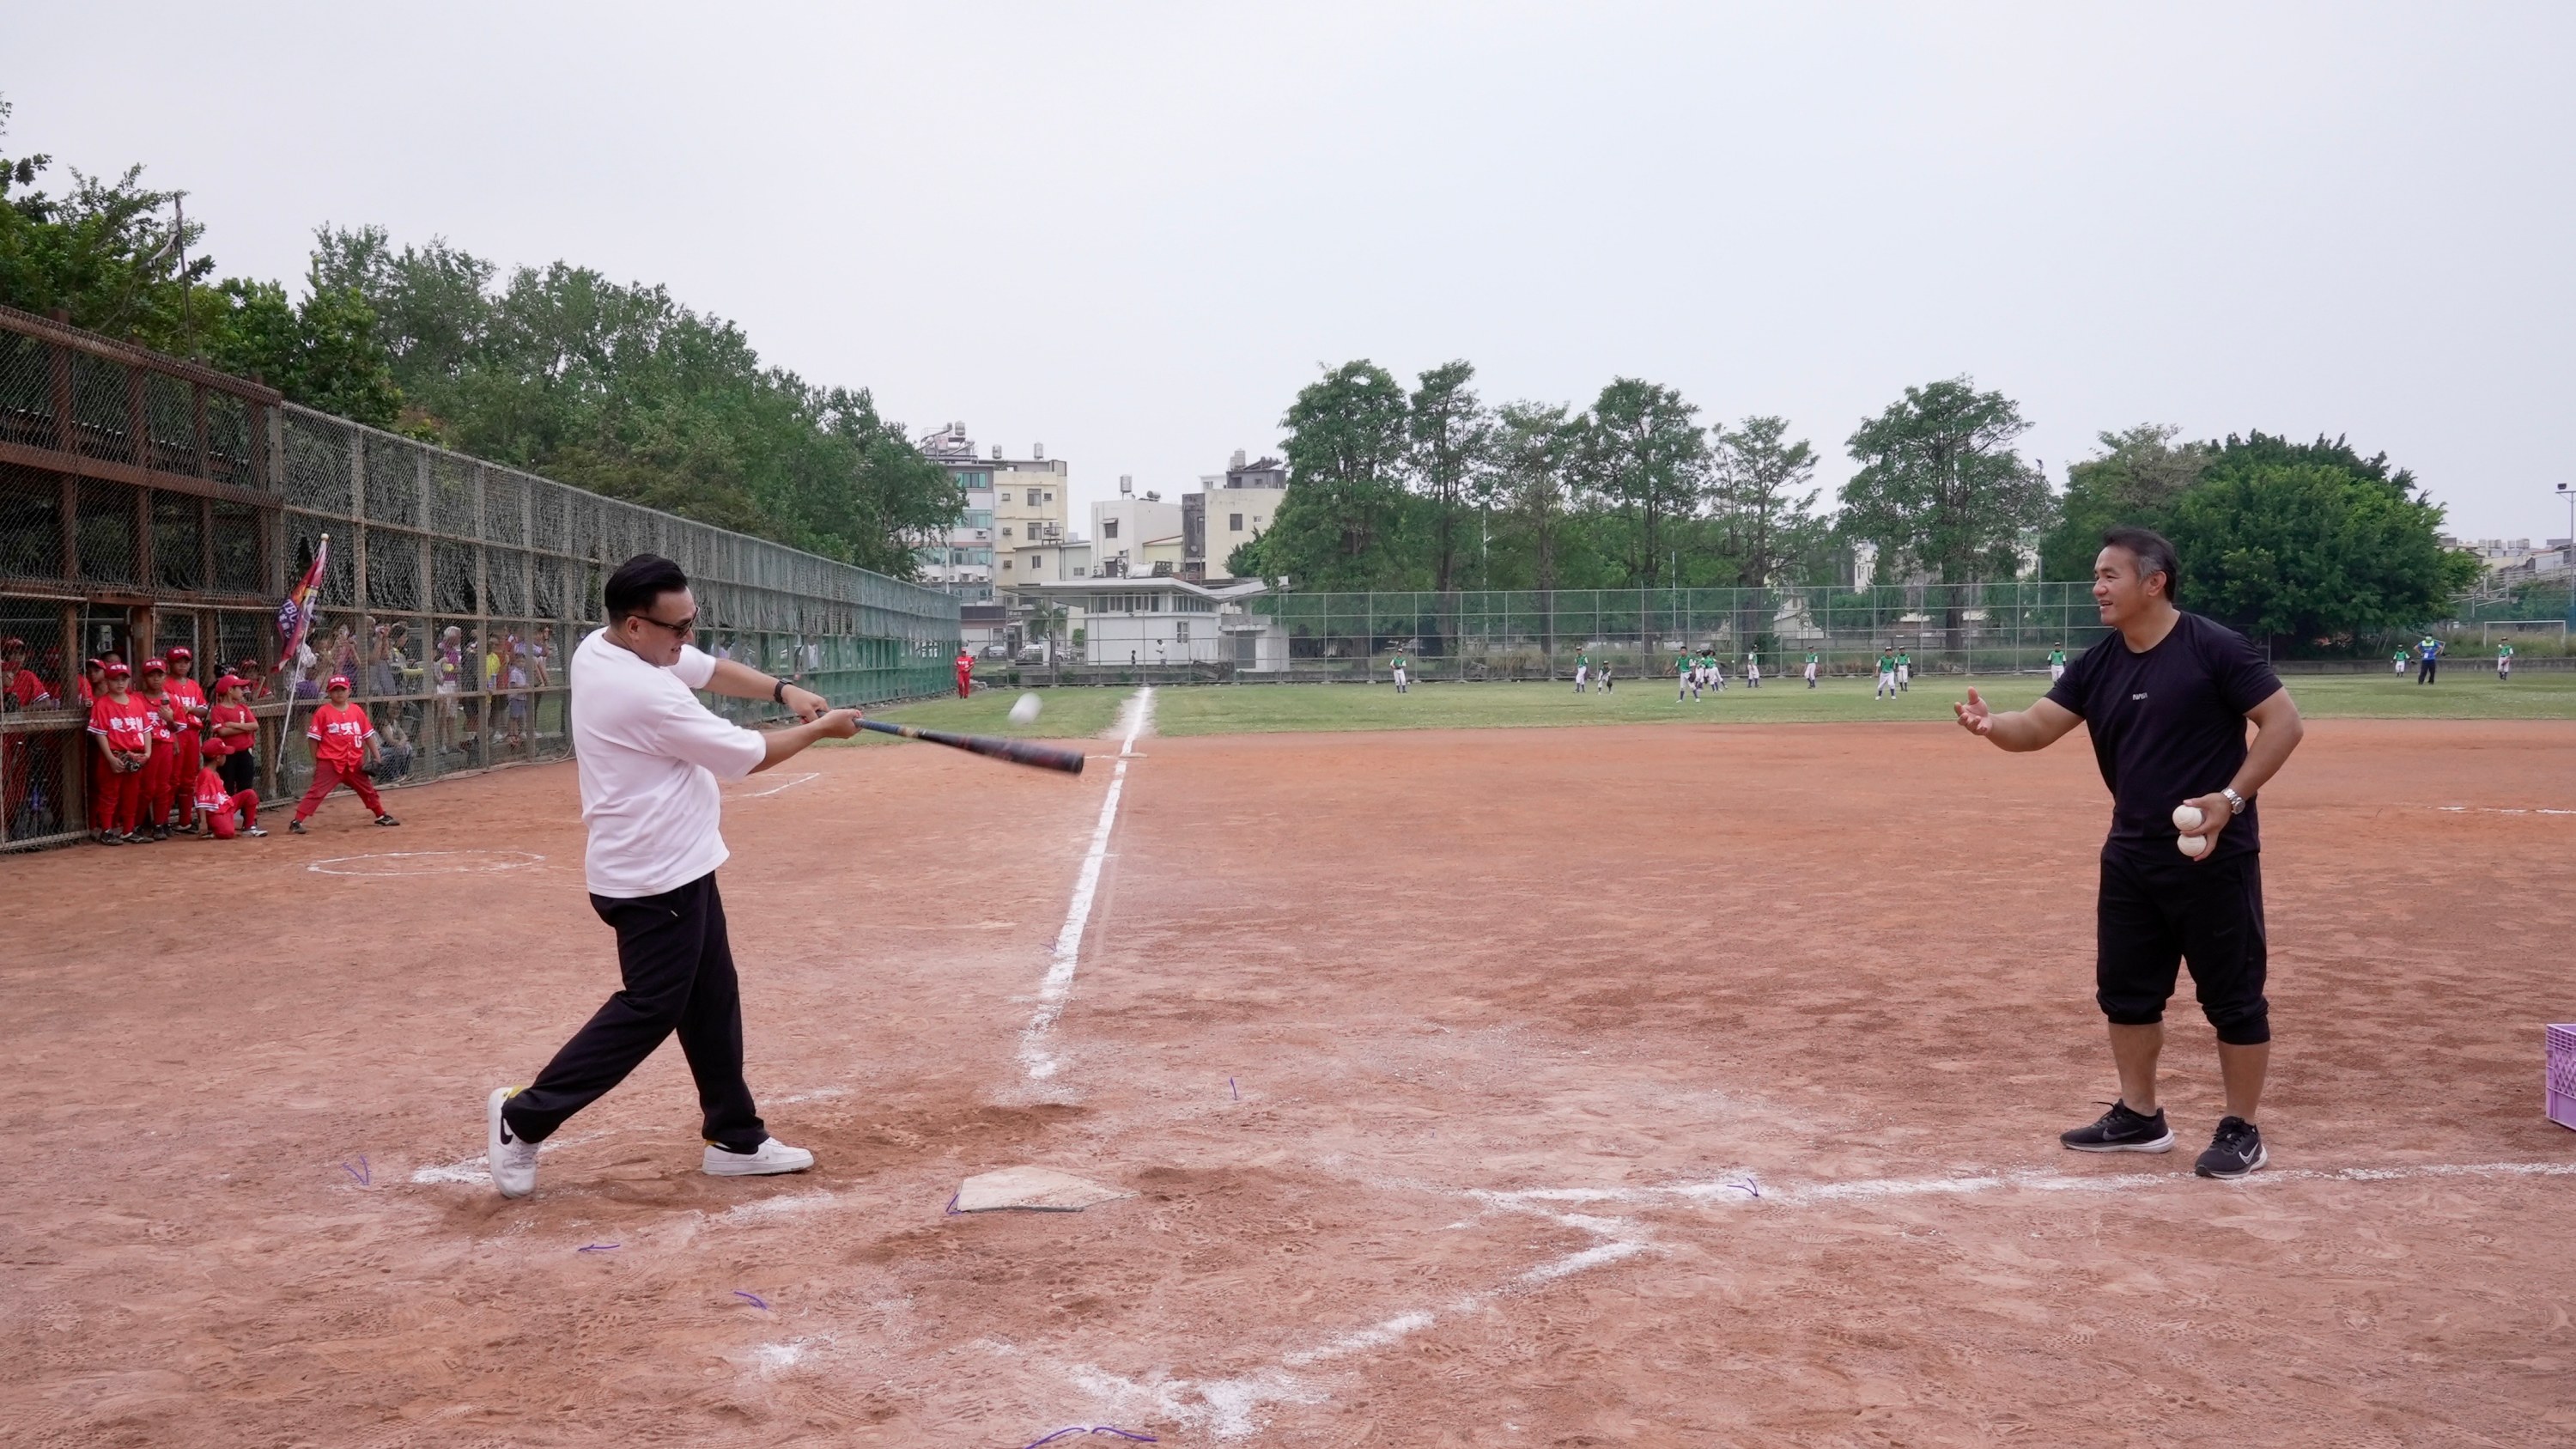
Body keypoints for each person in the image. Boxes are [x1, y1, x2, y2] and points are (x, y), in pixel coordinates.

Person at [485, 553, 863, 1199]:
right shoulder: (644, 690)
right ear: (637, 626)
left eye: (691, 622)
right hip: (651, 876)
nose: (687, 638)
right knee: (651, 1008)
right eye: (677, 628)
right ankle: (522, 1117)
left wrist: (783, 689)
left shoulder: (606, 649)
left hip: (680, 864)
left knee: (712, 996)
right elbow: (748, 755)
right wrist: (822, 729)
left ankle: (736, 1137)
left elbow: (708, 668)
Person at [1952, 527, 2303, 1180]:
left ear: (2154, 581)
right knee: (2126, 993)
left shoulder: (2214, 647)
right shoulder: (2099, 663)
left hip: (2211, 854)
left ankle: (2242, 1126)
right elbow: (2036, 728)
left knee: (2233, 997)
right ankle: (2141, 1116)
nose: (2097, 588)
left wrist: (2231, 796)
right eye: (2096, 575)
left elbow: (2284, 723)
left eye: (2109, 575)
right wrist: (1992, 725)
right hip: (2131, 853)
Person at [289, 676, 400, 833]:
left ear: (350, 691)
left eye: (343, 689)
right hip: (330, 762)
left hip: (354, 761)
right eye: (335, 690)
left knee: (367, 789)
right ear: (329, 692)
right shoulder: (323, 712)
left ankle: (381, 815)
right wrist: (316, 761)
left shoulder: (356, 711)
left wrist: (377, 756)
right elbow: (313, 739)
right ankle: (297, 821)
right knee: (317, 792)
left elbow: (368, 735)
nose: (339, 693)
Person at [87, 661, 151, 845]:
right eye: (115, 680)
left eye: (124, 679)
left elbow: (146, 730)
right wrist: (110, 758)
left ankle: (128, 830)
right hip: (114, 754)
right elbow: (100, 734)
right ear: (107, 681)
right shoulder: (102, 704)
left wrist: (148, 752)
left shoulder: (137, 702)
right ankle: (107, 830)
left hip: (135, 754)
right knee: (109, 794)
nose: (120, 683)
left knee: (132, 795)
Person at [162, 647, 210, 833]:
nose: (182, 665)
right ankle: (162, 821)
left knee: (189, 779)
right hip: (174, 732)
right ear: (170, 664)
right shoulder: (165, 684)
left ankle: (185, 821)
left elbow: (204, 711)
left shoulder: (193, 685)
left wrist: (187, 709)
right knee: (172, 778)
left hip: (192, 733)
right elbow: (167, 713)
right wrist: (189, 710)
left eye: (186, 661)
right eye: (178, 661)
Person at [134, 659, 181, 841]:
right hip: (145, 746)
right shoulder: (136, 698)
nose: (156, 679)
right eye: (151, 675)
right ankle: (137, 824)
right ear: (144, 678)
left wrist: (170, 719)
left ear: (165, 676)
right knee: (146, 788)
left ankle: (160, 824)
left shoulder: (171, 699)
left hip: (165, 745)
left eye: (159, 675)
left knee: (164, 786)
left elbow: (178, 728)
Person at [208, 674, 259, 796]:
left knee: (246, 786)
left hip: (244, 752)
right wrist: (246, 729)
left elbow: (255, 726)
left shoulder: (243, 708)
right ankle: (229, 814)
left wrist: (233, 725)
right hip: (227, 755)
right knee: (227, 786)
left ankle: (245, 814)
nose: (242, 691)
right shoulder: (218, 710)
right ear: (230, 690)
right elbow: (222, 732)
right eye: (239, 688)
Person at [191, 758, 266, 839]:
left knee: (250, 794)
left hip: (224, 805)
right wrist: (203, 822)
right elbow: (201, 800)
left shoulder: (214, 772)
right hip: (214, 813)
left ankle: (249, 826)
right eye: (224, 755)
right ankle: (212, 831)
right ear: (218, 758)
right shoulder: (206, 773)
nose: (226, 757)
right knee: (227, 833)